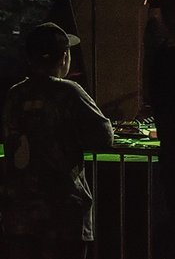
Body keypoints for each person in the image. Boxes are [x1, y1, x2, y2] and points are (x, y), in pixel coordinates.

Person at [2, 23, 114, 259]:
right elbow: (104, 136)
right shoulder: (69, 91)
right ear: (64, 57)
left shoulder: (15, 94)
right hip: (63, 216)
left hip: (20, 215)